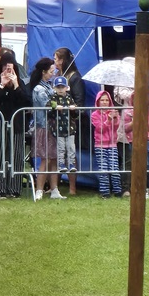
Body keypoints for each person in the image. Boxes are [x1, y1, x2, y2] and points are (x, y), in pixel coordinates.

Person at [0, 50, 30, 198]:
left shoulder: (21, 84)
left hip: (16, 125)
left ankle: (14, 188)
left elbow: (27, 102)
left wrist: (16, 85)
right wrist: (1, 86)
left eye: (10, 69)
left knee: (16, 155)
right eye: (5, 68)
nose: (7, 71)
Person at [30, 57, 65, 201]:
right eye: (51, 71)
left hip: (53, 127)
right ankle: (39, 189)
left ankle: (54, 189)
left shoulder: (49, 86)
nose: (53, 73)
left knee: (54, 159)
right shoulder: (39, 88)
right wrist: (57, 103)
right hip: (44, 127)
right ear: (44, 72)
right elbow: (48, 104)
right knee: (45, 159)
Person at [54, 47, 86, 195]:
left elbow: (80, 102)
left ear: (62, 60)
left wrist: (70, 108)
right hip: (57, 123)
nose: (54, 62)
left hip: (71, 123)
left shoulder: (74, 77)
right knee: (58, 154)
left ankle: (73, 188)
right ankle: (55, 186)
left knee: (70, 155)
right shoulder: (59, 76)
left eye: (56, 59)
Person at [123, 90, 149, 195]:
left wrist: (145, 122)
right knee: (137, 166)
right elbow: (125, 128)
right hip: (134, 142)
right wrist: (134, 122)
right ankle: (137, 188)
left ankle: (145, 186)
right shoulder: (128, 112)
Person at [91, 90, 123, 198]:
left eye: (106, 100)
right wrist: (108, 120)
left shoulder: (113, 111)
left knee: (114, 169)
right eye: (102, 100)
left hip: (113, 144)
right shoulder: (94, 114)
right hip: (100, 145)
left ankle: (117, 191)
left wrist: (115, 118)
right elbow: (100, 129)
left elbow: (117, 126)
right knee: (103, 169)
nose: (104, 102)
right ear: (98, 102)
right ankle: (105, 192)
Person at [49, 75, 78, 176]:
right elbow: (48, 109)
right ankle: (61, 164)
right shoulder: (53, 98)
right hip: (58, 128)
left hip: (70, 128)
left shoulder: (70, 98)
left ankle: (71, 163)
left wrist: (74, 109)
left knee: (71, 147)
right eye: (58, 87)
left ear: (67, 88)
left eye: (62, 87)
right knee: (61, 147)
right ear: (55, 88)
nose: (60, 89)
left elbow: (76, 113)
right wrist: (55, 107)